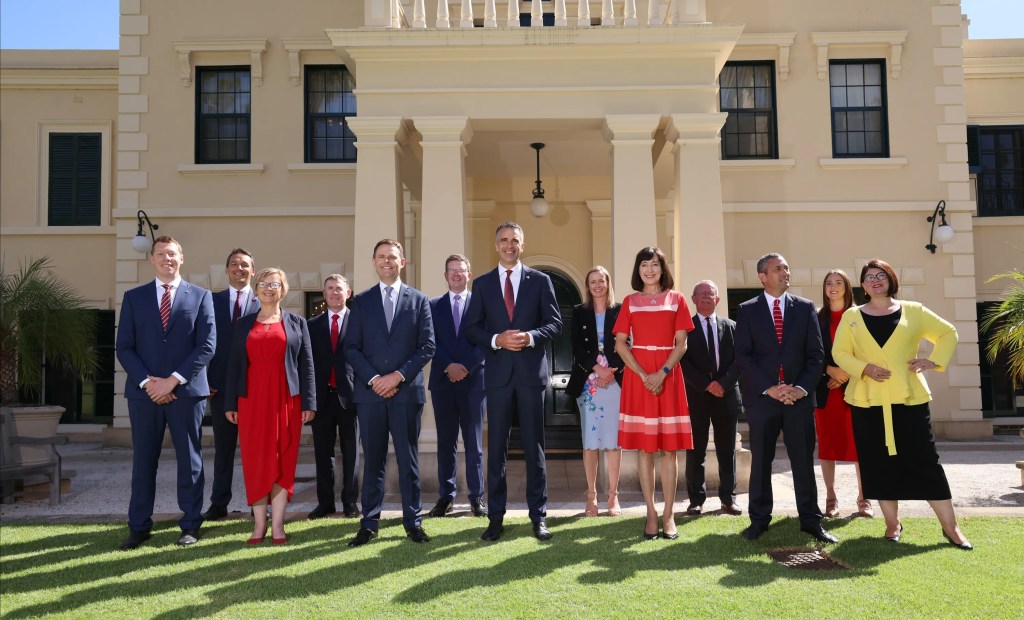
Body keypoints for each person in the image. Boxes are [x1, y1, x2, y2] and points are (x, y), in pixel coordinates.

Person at [832, 258, 972, 549]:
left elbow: (948, 333)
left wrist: (933, 361)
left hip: (910, 399)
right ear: (863, 285)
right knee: (878, 463)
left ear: (890, 279)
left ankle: (952, 529)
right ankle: (892, 525)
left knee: (926, 461)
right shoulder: (852, 316)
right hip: (867, 402)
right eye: (869, 276)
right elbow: (840, 353)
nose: (875, 280)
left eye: (881, 275)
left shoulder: (914, 311)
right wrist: (865, 368)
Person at [115, 235, 216, 550]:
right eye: (161, 254)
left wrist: (172, 381)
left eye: (172, 253)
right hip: (143, 394)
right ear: (152, 259)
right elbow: (125, 347)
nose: (166, 258)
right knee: (144, 461)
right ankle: (139, 527)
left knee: (190, 461)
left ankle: (190, 525)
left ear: (181, 258)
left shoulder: (201, 297)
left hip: (186, 393)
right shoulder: (134, 298)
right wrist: (149, 383)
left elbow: (206, 345)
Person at [465, 222, 563, 542]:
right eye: (504, 240)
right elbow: (473, 329)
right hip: (497, 378)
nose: (509, 245)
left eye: (515, 241)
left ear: (523, 245)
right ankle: (495, 518)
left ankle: (539, 516)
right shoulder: (481, 285)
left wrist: (531, 337)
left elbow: (554, 324)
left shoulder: (541, 281)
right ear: (496, 245)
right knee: (497, 451)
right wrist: (497, 339)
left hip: (531, 376)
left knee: (535, 448)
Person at [735, 253, 836, 544]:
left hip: (799, 399)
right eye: (778, 268)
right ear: (763, 277)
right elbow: (743, 357)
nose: (785, 272)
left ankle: (810, 521)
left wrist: (800, 388)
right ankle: (759, 521)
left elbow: (816, 356)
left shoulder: (805, 309)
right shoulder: (747, 310)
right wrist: (771, 388)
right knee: (762, 461)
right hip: (763, 399)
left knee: (803, 461)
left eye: (787, 267)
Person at [344, 239, 435, 546]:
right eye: (381, 257)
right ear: (374, 262)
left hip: (406, 393)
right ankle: (369, 522)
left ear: (402, 262)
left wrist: (397, 376)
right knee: (373, 460)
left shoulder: (420, 300)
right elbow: (351, 348)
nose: (387, 261)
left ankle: (413, 521)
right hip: (370, 395)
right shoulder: (360, 301)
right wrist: (374, 379)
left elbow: (427, 346)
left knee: (408, 458)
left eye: (392, 257)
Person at [224, 268, 315, 545]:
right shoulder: (242, 324)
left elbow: (307, 366)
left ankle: (278, 526)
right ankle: (258, 525)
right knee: (255, 461)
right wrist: (230, 401)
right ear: (256, 289)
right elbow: (233, 366)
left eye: (274, 284)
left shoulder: (297, 323)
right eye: (263, 283)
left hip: (287, 400)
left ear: (283, 289)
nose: (268, 288)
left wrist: (309, 402)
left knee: (284, 458)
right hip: (251, 400)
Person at [613, 247, 693, 540]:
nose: (649, 270)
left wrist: (663, 372)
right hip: (639, 379)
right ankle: (650, 512)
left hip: (668, 376)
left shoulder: (677, 299)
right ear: (638, 269)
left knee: (668, 451)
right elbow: (621, 344)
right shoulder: (630, 302)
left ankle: (669, 514)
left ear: (663, 268)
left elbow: (682, 343)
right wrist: (644, 375)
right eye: (644, 265)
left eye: (655, 264)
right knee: (645, 450)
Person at [426, 254, 488, 519]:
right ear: (445, 275)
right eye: (451, 270)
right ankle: (446, 496)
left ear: (469, 274)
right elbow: (428, 342)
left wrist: (465, 367)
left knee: (474, 443)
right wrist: (448, 366)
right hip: (443, 382)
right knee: (446, 443)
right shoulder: (432, 306)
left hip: (474, 382)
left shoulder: (481, 305)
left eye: (461, 270)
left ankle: (477, 497)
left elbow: (486, 341)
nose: (456, 274)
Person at [203, 248, 260, 522]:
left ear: (253, 271)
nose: (240, 269)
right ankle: (218, 503)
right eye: (235, 264)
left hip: (254, 391)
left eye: (245, 265)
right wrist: (206, 381)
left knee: (255, 451)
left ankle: (257, 503)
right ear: (226, 270)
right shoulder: (210, 302)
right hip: (220, 389)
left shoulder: (264, 304)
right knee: (223, 450)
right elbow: (202, 344)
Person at [680, 279, 743, 516]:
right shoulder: (686, 330)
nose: (706, 296)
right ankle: (696, 499)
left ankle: (729, 499)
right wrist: (707, 385)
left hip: (726, 396)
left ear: (718, 299)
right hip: (697, 397)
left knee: (727, 451)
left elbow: (740, 360)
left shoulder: (733, 327)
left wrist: (722, 384)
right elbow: (682, 363)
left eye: (711, 293)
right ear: (694, 299)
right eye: (701, 293)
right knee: (696, 451)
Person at [566, 266, 624, 517]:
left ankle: (613, 497)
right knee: (590, 443)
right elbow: (577, 347)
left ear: (608, 283)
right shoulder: (579, 312)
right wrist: (596, 371)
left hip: (615, 382)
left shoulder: (620, 310)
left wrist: (610, 371)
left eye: (602, 281)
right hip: (588, 385)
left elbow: (628, 343)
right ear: (587, 286)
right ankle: (591, 498)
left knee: (613, 443)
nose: (598, 285)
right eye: (593, 282)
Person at [814, 269, 872, 518]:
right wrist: (829, 371)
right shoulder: (816, 318)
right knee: (827, 446)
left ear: (848, 288)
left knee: (860, 446)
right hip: (826, 392)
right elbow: (810, 353)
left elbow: (867, 351)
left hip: (856, 388)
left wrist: (846, 374)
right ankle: (831, 499)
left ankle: (864, 500)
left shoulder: (861, 316)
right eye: (829, 283)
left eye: (838, 282)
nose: (833, 286)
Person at [307, 274, 360, 520]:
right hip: (322, 399)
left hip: (351, 398)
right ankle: (325, 503)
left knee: (351, 452)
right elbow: (305, 365)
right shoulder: (312, 325)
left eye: (339, 288)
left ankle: (350, 502)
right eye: (330, 288)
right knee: (322, 453)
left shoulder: (359, 322)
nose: (334, 292)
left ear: (348, 292)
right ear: (324, 293)